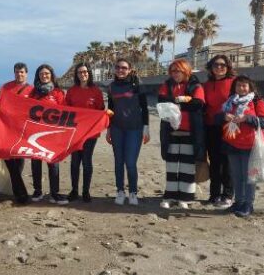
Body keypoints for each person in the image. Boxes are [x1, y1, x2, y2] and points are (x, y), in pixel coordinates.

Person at [216, 75, 264, 218]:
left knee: (249, 177)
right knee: (236, 175)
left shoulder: (257, 101)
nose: (241, 88)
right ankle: (238, 202)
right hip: (232, 143)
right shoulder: (230, 101)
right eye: (238, 85)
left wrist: (247, 118)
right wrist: (224, 116)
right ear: (234, 87)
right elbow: (217, 118)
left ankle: (248, 204)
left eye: (244, 85)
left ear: (250, 87)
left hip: (250, 145)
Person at [157, 60, 206, 209]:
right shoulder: (167, 85)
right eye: (173, 71)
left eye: (178, 71)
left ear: (186, 71)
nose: (175, 74)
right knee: (171, 166)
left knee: (187, 166)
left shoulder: (195, 85)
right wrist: (180, 100)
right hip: (171, 131)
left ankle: (186, 197)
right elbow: (161, 101)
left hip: (190, 132)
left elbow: (198, 103)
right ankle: (170, 196)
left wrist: (176, 103)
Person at [106, 59, 150, 206]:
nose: (120, 70)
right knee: (118, 162)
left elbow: (144, 107)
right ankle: (120, 191)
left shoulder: (137, 84)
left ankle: (132, 192)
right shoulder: (111, 87)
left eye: (124, 68)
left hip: (135, 129)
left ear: (130, 69)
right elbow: (110, 109)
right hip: (117, 128)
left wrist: (146, 127)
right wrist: (108, 129)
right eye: (117, 67)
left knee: (130, 163)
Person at [65, 63, 105, 202]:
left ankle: (86, 191)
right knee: (75, 162)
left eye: (85, 71)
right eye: (80, 72)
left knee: (87, 161)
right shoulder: (71, 91)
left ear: (89, 73)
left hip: (90, 133)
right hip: (75, 133)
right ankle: (74, 190)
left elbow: (101, 110)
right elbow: (66, 111)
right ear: (76, 74)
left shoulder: (96, 91)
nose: (83, 74)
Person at [30, 64, 68, 205]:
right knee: (36, 162)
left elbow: (65, 112)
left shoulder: (58, 93)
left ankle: (54, 193)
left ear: (51, 75)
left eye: (46, 73)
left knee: (53, 164)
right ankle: (37, 190)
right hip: (35, 134)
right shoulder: (33, 93)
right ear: (38, 76)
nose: (44, 76)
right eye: (41, 74)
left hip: (53, 135)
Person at [202, 55, 236, 208]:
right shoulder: (206, 85)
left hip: (228, 127)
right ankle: (214, 194)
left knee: (227, 162)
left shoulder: (234, 83)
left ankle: (228, 195)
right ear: (211, 67)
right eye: (216, 65)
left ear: (228, 67)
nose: (219, 67)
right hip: (210, 126)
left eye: (223, 65)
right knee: (214, 162)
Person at [0, 62, 32, 204]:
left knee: (19, 163)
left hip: (23, 132)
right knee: (10, 162)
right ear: (14, 73)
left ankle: (17, 192)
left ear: (26, 73)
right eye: (17, 72)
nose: (19, 74)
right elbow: (0, 104)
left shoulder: (31, 90)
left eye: (22, 72)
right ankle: (22, 195)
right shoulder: (6, 87)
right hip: (7, 130)